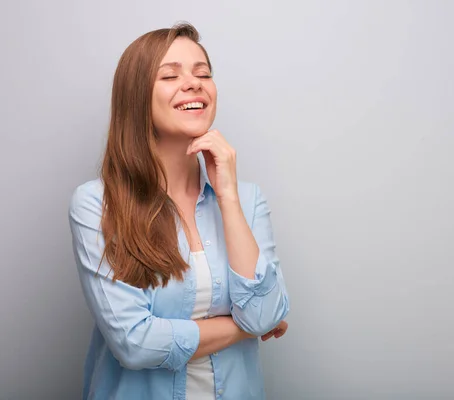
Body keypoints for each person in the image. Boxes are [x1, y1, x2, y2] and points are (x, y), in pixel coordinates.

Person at [68, 22, 290, 400]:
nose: (194, 83)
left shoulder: (247, 200)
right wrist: (243, 328)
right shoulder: (97, 205)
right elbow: (134, 343)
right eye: (170, 75)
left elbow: (265, 313)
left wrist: (228, 198)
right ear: (136, 97)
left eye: (203, 73)